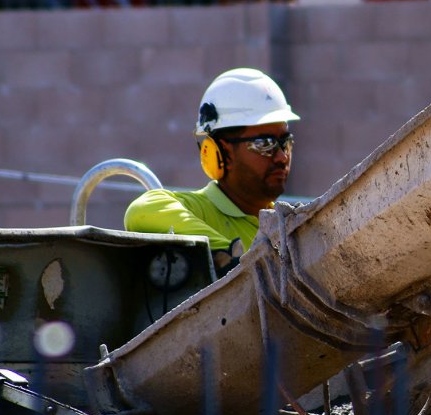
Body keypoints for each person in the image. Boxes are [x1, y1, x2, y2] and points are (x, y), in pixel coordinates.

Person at [125, 67, 300, 274]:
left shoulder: (289, 228)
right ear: (220, 152)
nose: (282, 157)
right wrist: (230, 255)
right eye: (265, 144)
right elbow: (141, 211)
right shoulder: (201, 211)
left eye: (285, 142)